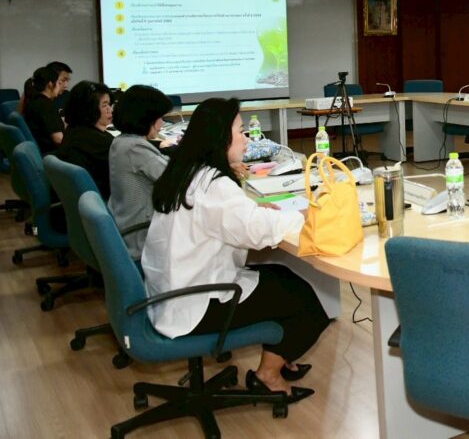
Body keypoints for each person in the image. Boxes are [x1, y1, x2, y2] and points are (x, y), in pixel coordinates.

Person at [146, 98, 329, 401]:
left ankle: (281, 357)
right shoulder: (213, 185)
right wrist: (303, 215)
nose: (246, 139)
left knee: (283, 275)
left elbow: (230, 219)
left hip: (172, 289)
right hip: (195, 302)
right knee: (306, 303)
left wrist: (257, 212)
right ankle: (268, 375)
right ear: (220, 137)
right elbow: (256, 232)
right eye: (241, 131)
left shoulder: (187, 171)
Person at [108, 85, 174, 259]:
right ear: (146, 118)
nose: (162, 124)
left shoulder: (121, 141)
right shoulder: (135, 148)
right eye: (160, 118)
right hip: (142, 238)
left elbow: (162, 163)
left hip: (129, 225)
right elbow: (175, 179)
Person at [56, 81, 115, 199]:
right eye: (104, 105)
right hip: (104, 199)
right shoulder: (99, 143)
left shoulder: (73, 129)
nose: (110, 110)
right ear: (89, 109)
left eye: (109, 104)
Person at [22, 66, 65, 154]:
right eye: (59, 83)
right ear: (50, 84)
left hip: (43, 151)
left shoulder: (34, 101)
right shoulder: (45, 105)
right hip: (52, 154)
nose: (60, 87)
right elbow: (58, 140)